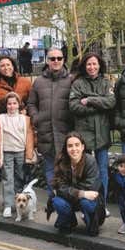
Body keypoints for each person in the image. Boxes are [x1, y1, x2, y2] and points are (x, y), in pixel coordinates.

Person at [69, 53, 115, 207]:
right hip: (84, 135)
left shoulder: (105, 82)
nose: (92, 67)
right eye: (89, 64)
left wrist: (89, 100)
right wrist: (98, 106)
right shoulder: (78, 84)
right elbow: (74, 106)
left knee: (102, 170)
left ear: (99, 65)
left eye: (94, 64)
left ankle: (102, 203)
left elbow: (111, 102)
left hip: (102, 133)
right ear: (84, 66)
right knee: (83, 170)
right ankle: (85, 201)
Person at [28, 47, 72, 195]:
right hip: (46, 133)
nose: (56, 61)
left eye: (59, 58)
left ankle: (67, 202)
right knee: (49, 170)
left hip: (65, 132)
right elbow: (31, 103)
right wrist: (36, 117)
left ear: (63, 60)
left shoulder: (71, 80)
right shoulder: (39, 82)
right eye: (52, 59)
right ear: (47, 61)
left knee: (68, 170)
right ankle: (53, 200)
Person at [50, 132, 103, 236]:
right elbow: (60, 187)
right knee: (57, 202)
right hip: (76, 197)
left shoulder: (90, 161)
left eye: (77, 145)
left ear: (83, 147)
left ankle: (92, 223)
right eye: (70, 146)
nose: (74, 149)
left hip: (89, 199)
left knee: (86, 202)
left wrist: (69, 191)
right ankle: (69, 221)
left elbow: (91, 186)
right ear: (66, 148)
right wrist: (80, 193)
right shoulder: (61, 161)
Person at [0, 92, 35, 218]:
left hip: (20, 151)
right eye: (9, 104)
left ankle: (18, 203)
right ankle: (7, 205)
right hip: (6, 151)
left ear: (19, 105)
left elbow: (29, 137)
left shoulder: (25, 119)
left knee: (19, 177)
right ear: (6, 105)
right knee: (7, 178)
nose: (12, 106)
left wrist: (29, 155)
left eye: (14, 103)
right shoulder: (0, 118)